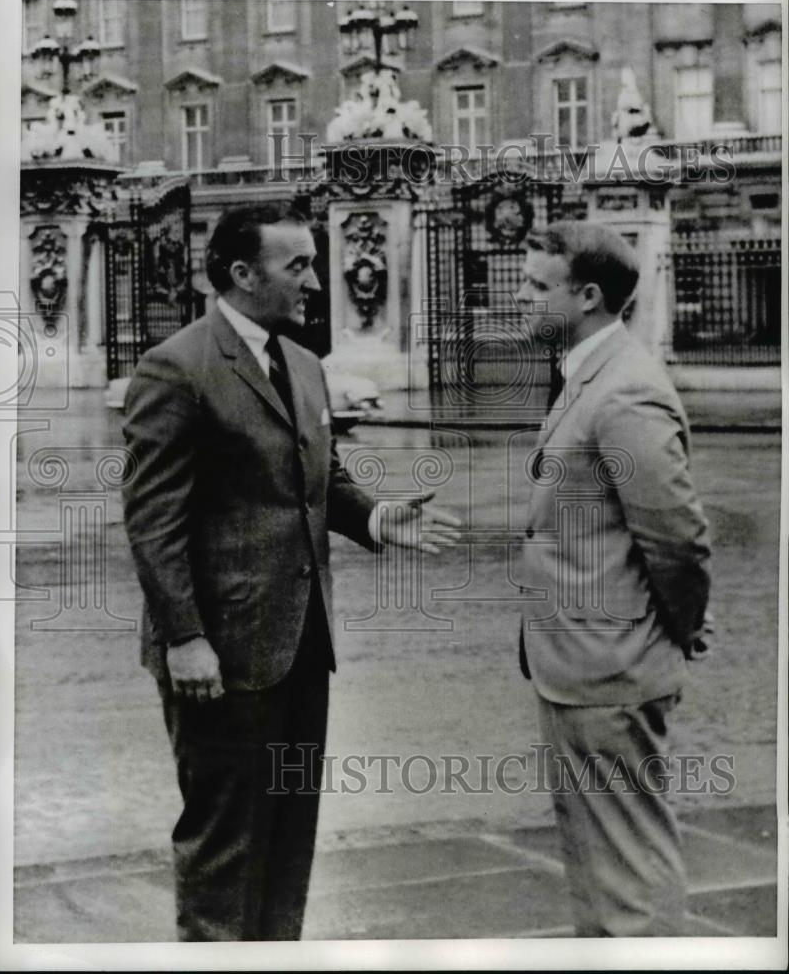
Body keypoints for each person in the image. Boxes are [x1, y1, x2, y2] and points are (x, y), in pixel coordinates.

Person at [121, 204, 459, 941]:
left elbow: (320, 479)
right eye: (297, 266)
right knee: (226, 846)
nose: (314, 281)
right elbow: (153, 520)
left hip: (303, 646)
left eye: (313, 261)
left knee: (287, 840)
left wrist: (374, 516)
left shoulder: (304, 363)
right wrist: (184, 637)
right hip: (220, 655)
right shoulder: (176, 367)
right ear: (242, 275)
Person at [515, 221, 711, 936]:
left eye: (539, 286)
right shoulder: (587, 373)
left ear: (589, 296)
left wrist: (675, 632)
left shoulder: (625, 389)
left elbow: (678, 540)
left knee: (626, 873)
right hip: (578, 664)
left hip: (609, 666)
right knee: (598, 872)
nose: (523, 296)